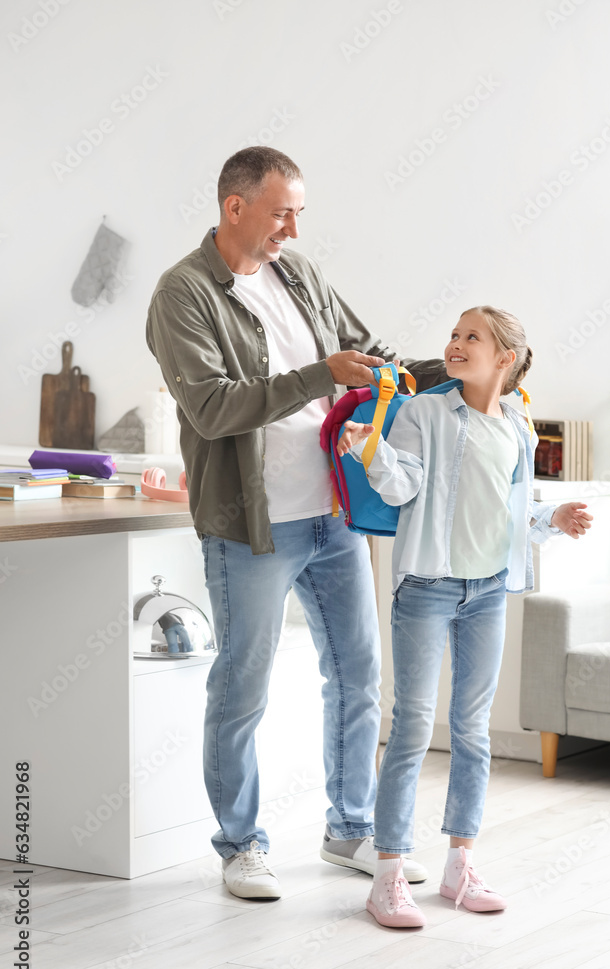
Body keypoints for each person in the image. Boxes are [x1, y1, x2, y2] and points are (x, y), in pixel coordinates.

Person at [146, 146, 446, 900]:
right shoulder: (182, 293)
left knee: (357, 677)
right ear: (234, 206)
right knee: (242, 685)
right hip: (253, 524)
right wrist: (321, 376)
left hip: (333, 515)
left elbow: (367, 356)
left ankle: (350, 828)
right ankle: (240, 845)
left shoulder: (298, 276)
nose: (293, 229)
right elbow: (213, 407)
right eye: (282, 212)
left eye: (298, 214)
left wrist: (445, 370)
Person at [337, 305, 593, 928]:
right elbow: (401, 490)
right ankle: (389, 875)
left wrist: (551, 520)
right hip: (427, 586)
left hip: (487, 591)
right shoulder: (425, 411)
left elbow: (512, 512)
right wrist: (368, 449)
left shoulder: (519, 427)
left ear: (504, 357)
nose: (454, 344)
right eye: (452, 335)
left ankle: (460, 865)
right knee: (413, 730)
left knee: (472, 732)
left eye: (470, 337)